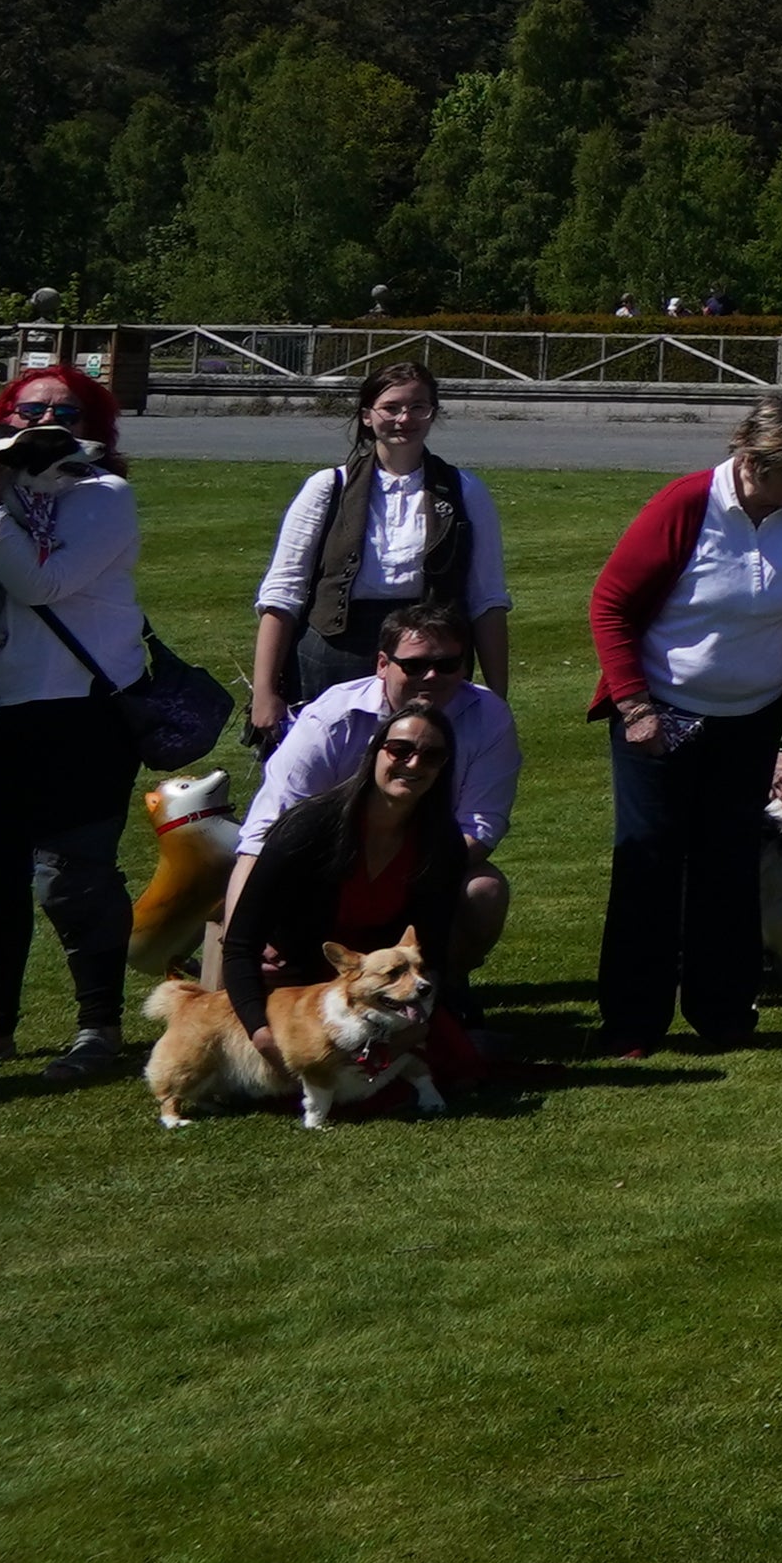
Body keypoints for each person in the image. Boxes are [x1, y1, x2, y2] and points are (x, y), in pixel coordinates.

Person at [584, 395, 782, 1054]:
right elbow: (610, 604)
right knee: (649, 862)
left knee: (729, 862)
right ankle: (633, 1022)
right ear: (750, 460)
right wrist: (635, 706)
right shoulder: (685, 505)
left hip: (753, 714)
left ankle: (724, 1012)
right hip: (662, 711)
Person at [0, 365, 157, 1079]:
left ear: (93, 430)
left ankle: (99, 1028)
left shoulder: (104, 496)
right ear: (2, 420)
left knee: (73, 877)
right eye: (29, 413)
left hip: (79, 711)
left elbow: (39, 581)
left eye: (67, 415)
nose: (45, 427)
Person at [207, 699, 495, 1101]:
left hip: (382, 992)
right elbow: (239, 946)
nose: (413, 764)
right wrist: (261, 1033)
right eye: (400, 750)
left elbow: (432, 951)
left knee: (459, 1077)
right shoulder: (308, 827)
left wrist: (420, 1024)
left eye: (432, 755)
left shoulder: (441, 842)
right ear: (375, 751)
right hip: (297, 984)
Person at [239, 594, 525, 967]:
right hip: (320, 870)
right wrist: (242, 938)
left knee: (483, 891)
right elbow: (266, 829)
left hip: (423, 869)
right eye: (415, 665)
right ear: (382, 665)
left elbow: (481, 828)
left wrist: (393, 878)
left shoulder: (489, 718)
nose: (432, 676)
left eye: (447, 664)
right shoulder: (330, 718)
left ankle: (440, 992)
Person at [251, 361, 508, 735]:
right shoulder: (327, 488)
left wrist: (497, 700)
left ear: (433, 414)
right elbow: (282, 596)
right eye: (391, 407)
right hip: (335, 658)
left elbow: (487, 600)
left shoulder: (466, 491)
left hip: (430, 660)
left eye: (418, 407)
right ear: (368, 416)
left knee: (421, 777)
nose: (405, 418)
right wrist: (264, 692)